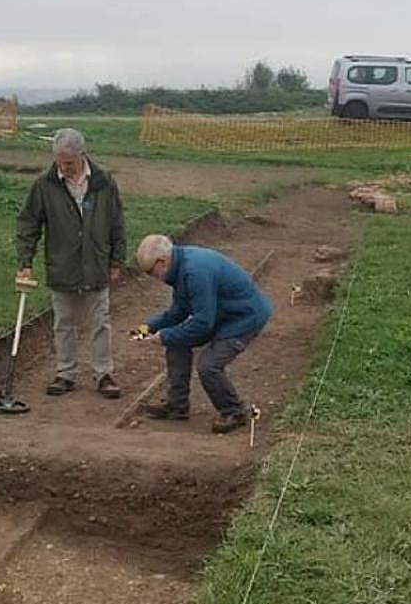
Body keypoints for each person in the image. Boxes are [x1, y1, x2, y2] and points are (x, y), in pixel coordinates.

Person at [16, 128, 125, 398]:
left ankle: (104, 374)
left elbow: (117, 223)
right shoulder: (44, 185)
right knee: (63, 321)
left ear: (82, 155)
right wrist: (25, 261)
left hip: (96, 263)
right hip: (61, 265)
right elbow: (28, 223)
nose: (63, 167)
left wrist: (117, 260)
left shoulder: (104, 182)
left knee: (100, 321)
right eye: (59, 162)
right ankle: (65, 374)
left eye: (69, 163)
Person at [133, 234, 273, 434]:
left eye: (149, 271)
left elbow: (202, 323)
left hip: (243, 317)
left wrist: (164, 336)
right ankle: (177, 405)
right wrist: (148, 326)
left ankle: (233, 411)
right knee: (177, 343)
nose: (150, 276)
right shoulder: (179, 268)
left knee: (209, 365)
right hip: (221, 313)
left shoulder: (194, 272)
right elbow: (179, 311)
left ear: (162, 262)